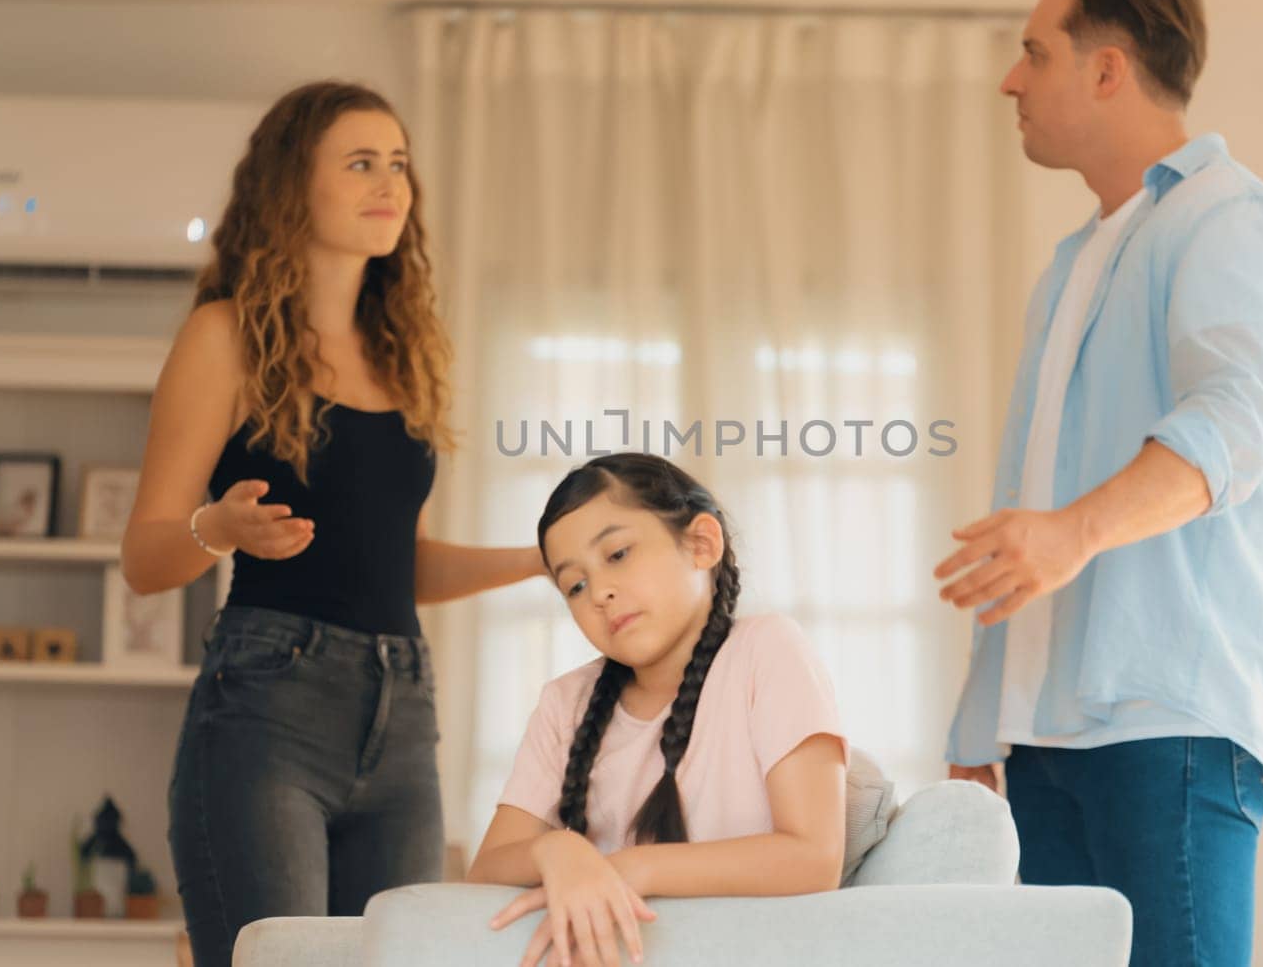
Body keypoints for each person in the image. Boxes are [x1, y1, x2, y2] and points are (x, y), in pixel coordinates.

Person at [934, 0, 1263, 966]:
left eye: (1032, 52)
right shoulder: (1076, 261)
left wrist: (1071, 532)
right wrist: (985, 717)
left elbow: (1236, 419)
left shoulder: (1226, 218)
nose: (1010, 81)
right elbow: (1038, 513)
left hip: (1167, 722)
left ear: (1107, 70)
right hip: (1047, 740)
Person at [120, 81, 546, 967]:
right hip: (269, 707)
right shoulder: (225, 336)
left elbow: (399, 563)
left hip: (403, 709)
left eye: (398, 164)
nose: (390, 183)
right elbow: (144, 556)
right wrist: (220, 526)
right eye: (360, 163)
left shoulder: (405, 356)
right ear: (291, 186)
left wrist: (541, 558)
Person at [468, 452, 848, 967]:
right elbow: (485, 870)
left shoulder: (766, 649)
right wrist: (556, 851)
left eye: (618, 554)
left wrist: (629, 869)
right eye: (574, 586)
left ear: (701, 543)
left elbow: (814, 858)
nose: (599, 591)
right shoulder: (565, 702)